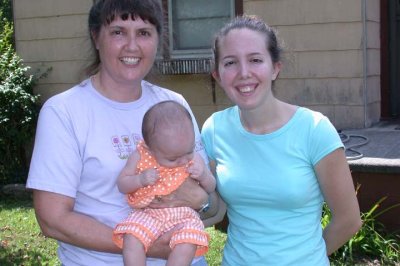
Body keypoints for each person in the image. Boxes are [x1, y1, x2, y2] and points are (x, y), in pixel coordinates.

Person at [26, 1, 220, 265]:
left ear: (157, 40)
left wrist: (204, 200)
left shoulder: (174, 104)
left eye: (144, 33)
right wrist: (143, 244)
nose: (132, 46)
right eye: (118, 32)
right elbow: (53, 220)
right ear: (96, 37)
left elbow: (209, 198)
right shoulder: (64, 112)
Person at [201, 15, 362, 265]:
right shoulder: (214, 129)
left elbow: (349, 220)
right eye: (230, 62)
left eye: (255, 60)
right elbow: (217, 209)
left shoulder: (314, 129)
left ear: (275, 67)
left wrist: (307, 257)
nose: (244, 73)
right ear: (218, 75)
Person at [113, 101, 216, 266]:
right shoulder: (140, 157)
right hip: (150, 213)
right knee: (132, 237)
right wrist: (139, 180)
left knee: (187, 242)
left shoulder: (193, 158)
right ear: (150, 148)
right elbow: (122, 184)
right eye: (172, 158)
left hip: (184, 215)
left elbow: (211, 187)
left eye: (188, 152)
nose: (183, 160)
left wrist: (203, 175)